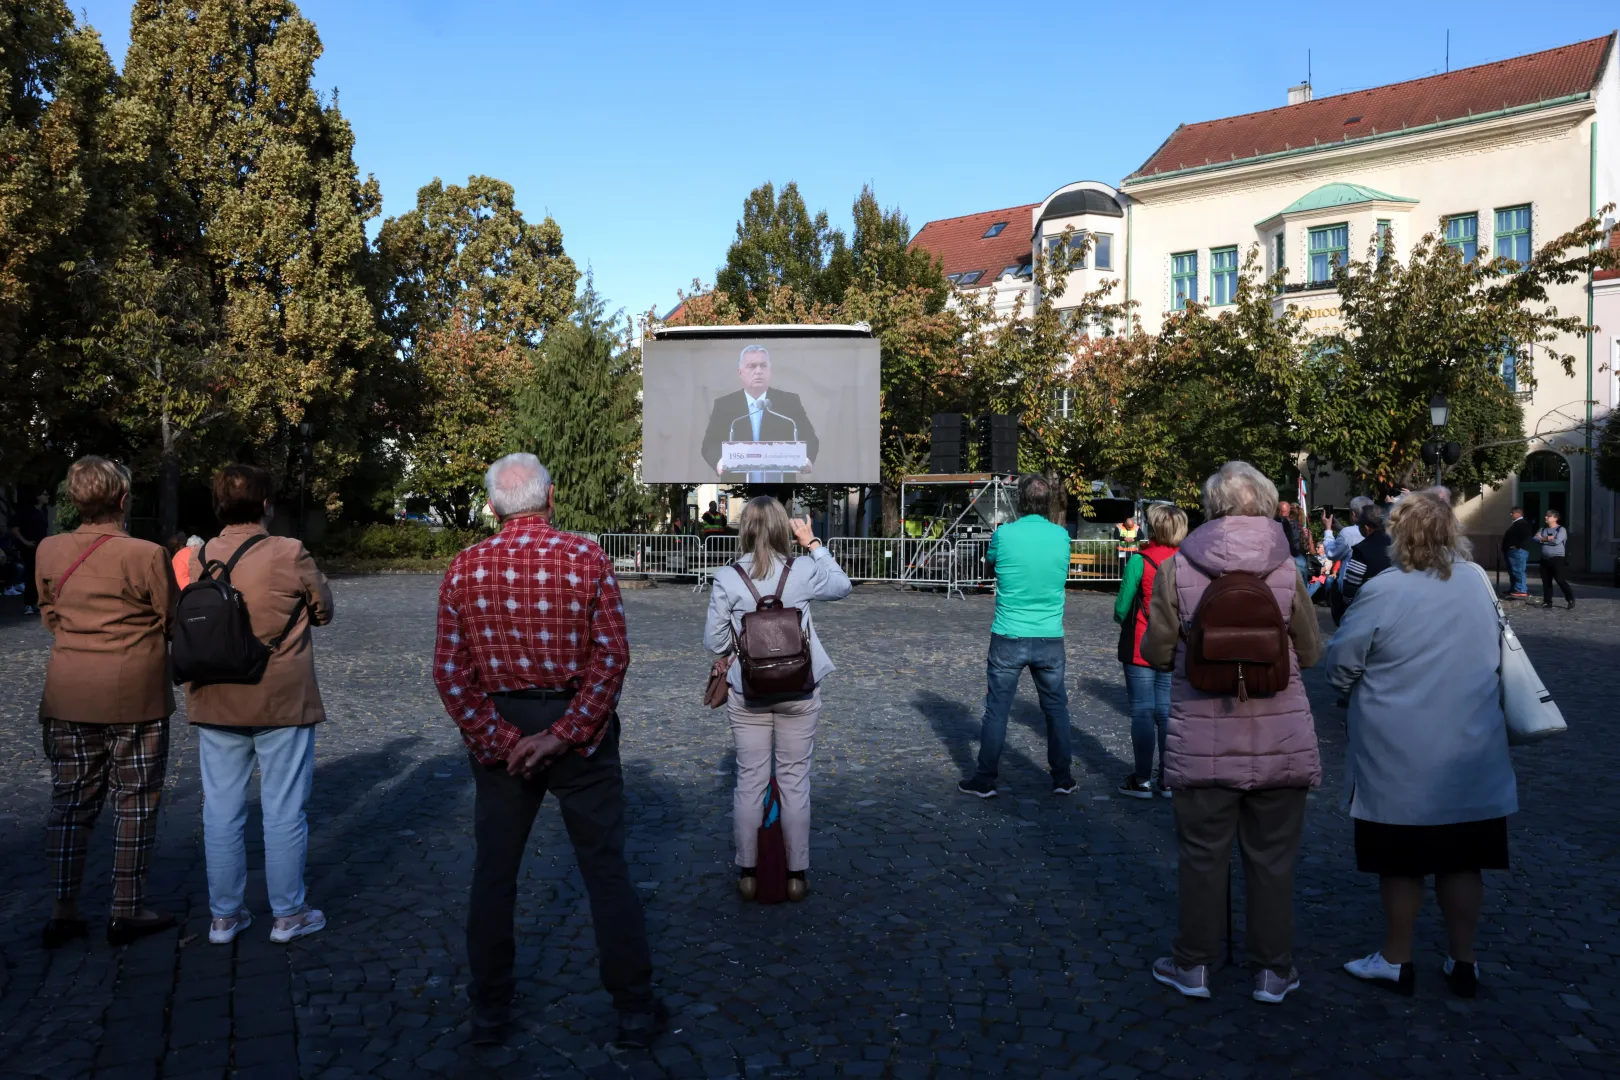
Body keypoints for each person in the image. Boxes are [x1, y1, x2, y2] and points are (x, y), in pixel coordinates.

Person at [432, 453, 664, 1049]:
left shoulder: (463, 567)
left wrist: (504, 740)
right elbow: (611, 656)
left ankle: (488, 1013)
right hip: (577, 729)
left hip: (503, 728)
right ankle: (635, 1011)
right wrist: (563, 733)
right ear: (550, 497)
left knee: (494, 875)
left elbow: (451, 675)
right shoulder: (586, 557)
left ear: (491, 507)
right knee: (606, 871)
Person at [1325, 490, 1516, 999]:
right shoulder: (1477, 581)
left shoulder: (1388, 589)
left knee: (1401, 861)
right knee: (1462, 858)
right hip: (1471, 743)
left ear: (1398, 535)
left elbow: (1342, 661)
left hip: (1398, 750)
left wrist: (1347, 694)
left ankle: (1396, 956)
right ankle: (1463, 958)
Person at [1143, 462, 1321, 1005]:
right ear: (1266, 504)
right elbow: (1311, 653)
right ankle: (1272, 971)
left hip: (1202, 739)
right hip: (1280, 740)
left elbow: (1154, 651)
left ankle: (1193, 965)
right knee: (1272, 860)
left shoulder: (1179, 567)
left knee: (1201, 856)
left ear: (1212, 506)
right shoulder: (1287, 567)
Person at [184, 465, 334, 947]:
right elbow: (324, 610)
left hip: (215, 695)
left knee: (221, 809)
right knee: (284, 808)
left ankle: (224, 917)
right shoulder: (289, 552)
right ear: (267, 504)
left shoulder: (196, 556)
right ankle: (288, 913)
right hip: (280, 698)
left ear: (218, 506)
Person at [34, 457, 176, 948]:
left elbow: (49, 612)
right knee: (135, 801)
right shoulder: (145, 554)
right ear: (123, 500)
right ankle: (126, 907)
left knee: (70, 802)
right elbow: (170, 618)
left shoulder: (49, 549)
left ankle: (63, 907)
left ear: (74, 502)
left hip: (69, 689)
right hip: (134, 692)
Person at [704, 496, 851, 901]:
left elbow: (713, 641)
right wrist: (813, 544)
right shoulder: (802, 569)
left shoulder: (728, 577)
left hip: (749, 690)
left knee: (749, 780)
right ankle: (796, 874)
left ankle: (749, 872)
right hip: (800, 688)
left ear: (745, 529)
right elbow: (842, 585)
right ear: (784, 527)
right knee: (795, 781)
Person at [958, 473, 1075, 799]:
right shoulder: (1061, 536)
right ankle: (1063, 778)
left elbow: (991, 564)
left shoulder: (1004, 534)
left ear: (1020, 501)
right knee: (1056, 709)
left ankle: (984, 780)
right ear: (1047, 501)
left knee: (997, 709)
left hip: (1009, 633)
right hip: (1049, 634)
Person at [1113, 503, 1187, 799]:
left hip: (1141, 645)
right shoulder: (1187, 563)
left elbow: (1120, 609)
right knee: (1167, 712)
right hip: (1174, 646)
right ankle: (1167, 779)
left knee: (1142, 712)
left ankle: (1141, 778)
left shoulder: (1139, 562)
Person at [699, 344, 820, 479]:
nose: (758, 371)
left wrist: (807, 459)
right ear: (740, 373)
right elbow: (709, 444)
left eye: (763, 366)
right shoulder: (725, 405)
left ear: (770, 371)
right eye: (752, 366)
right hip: (738, 480)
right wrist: (719, 461)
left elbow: (810, 438)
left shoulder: (789, 402)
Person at [1337, 501, 1392, 607]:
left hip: (1370, 605)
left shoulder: (1362, 550)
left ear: (1366, 528)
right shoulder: (1397, 542)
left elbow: (1350, 588)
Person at [12, 487, 51, 614]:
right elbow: (15, 529)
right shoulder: (26, 511)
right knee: (30, 574)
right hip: (29, 548)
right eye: (44, 494)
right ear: (37, 496)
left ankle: (35, 602)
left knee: (40, 575)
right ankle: (28, 604)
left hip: (42, 547)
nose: (47, 496)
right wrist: (26, 542)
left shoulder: (44, 511)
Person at [1534, 510, 1574, 610]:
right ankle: (1547, 602)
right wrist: (1547, 538)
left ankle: (1570, 599)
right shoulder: (1543, 529)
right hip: (1544, 559)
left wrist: (1542, 539)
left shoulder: (1561, 529)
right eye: (1546, 516)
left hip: (1557, 558)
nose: (1546, 517)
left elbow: (1556, 541)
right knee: (1546, 581)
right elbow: (1534, 538)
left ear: (1555, 518)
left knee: (1560, 580)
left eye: (1548, 516)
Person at [1499, 506, 1533, 600]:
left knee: (1518, 570)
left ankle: (1521, 589)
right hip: (1512, 551)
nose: (1511, 515)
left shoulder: (1522, 523)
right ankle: (1514, 588)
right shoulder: (1517, 523)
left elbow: (1525, 537)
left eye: (1512, 513)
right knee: (1513, 571)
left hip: (1517, 551)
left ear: (1518, 513)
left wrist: (1517, 546)